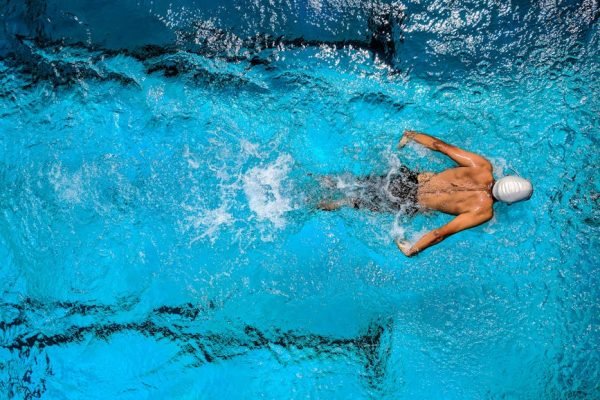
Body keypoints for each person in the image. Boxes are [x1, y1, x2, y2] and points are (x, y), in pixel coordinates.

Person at [318, 130, 533, 256]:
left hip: (406, 179)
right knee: (350, 202)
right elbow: (441, 233)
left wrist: (411, 135)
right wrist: (413, 250)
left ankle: (320, 180)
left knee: (352, 182)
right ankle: (318, 204)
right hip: (409, 202)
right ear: (509, 202)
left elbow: (441, 146)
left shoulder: (482, 167)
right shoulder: (483, 211)